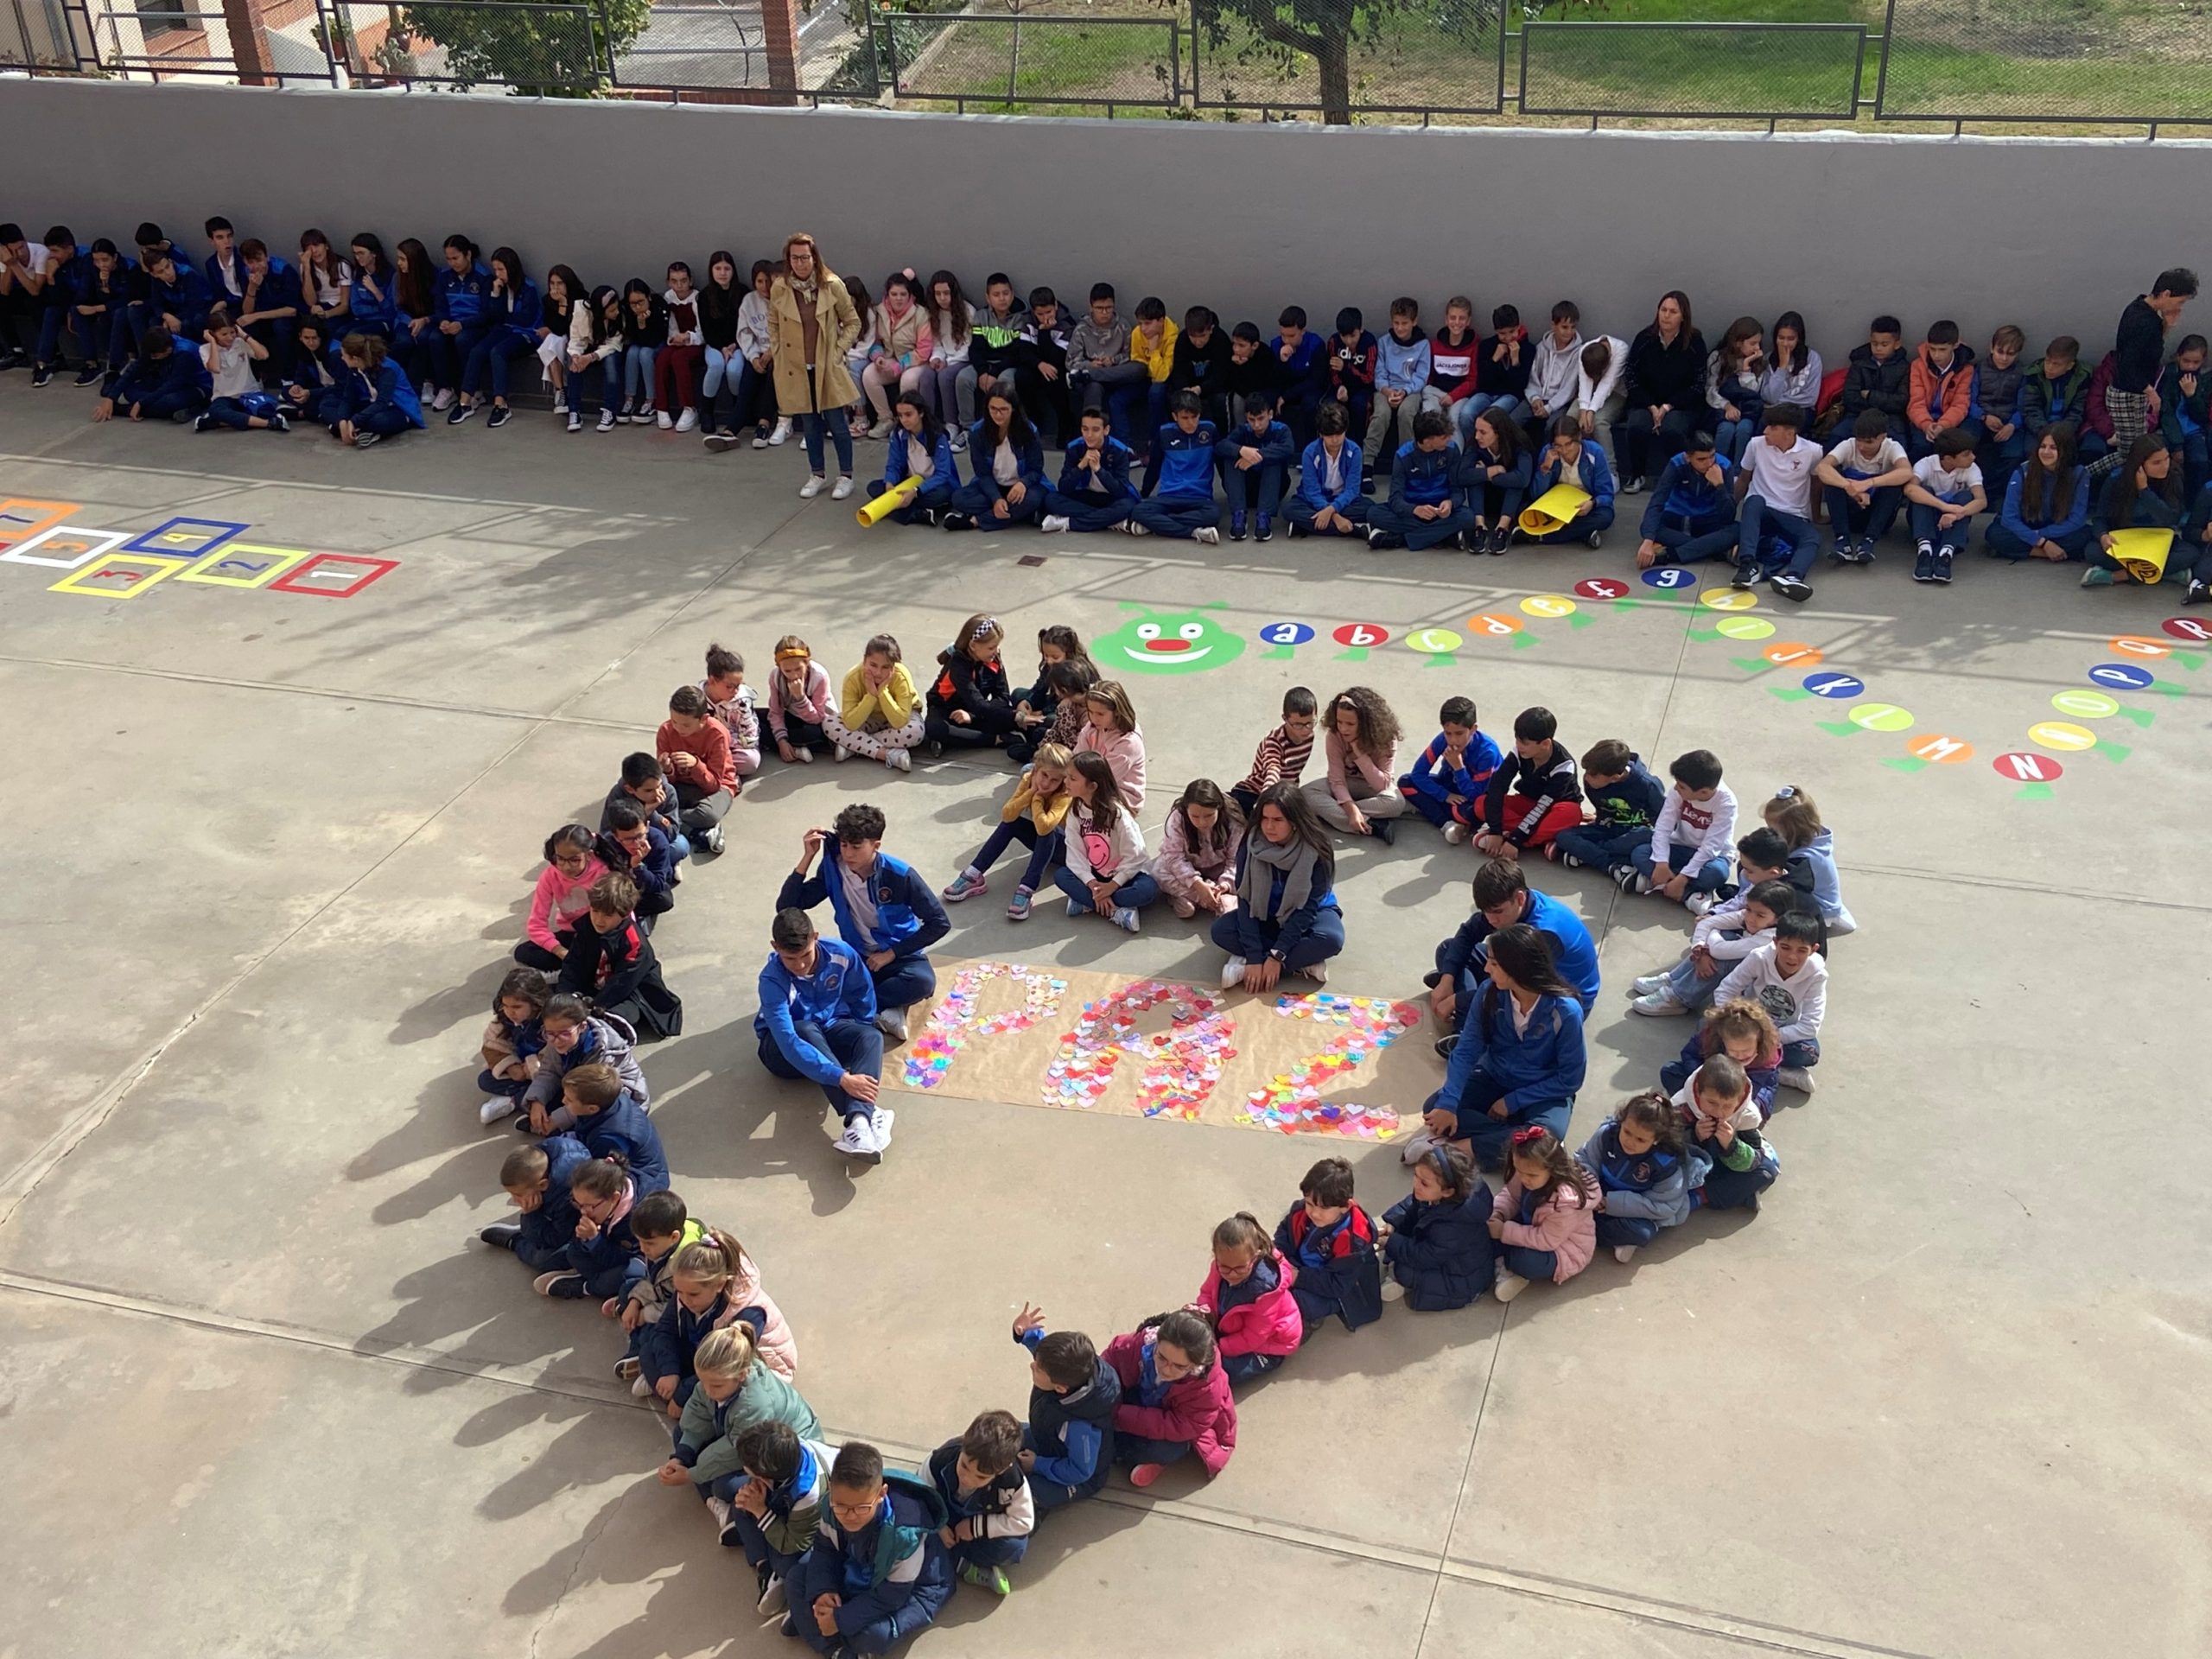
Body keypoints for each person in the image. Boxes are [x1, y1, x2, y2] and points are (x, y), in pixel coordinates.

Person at [1411, 924, 1586, 1172]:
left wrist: (1512, 1102)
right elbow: (1467, 1049)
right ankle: (1517, 1139)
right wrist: (1448, 1103)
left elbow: (1570, 1079)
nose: (1486, 968)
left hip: (1543, 1092)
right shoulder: (1489, 993)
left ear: (1517, 968)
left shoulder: (1565, 1012)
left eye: (1494, 963)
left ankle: (1458, 1149)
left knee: (1545, 1136)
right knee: (1435, 1108)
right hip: (1495, 1077)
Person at [778, 804, 949, 1040]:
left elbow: (939, 922)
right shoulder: (833, 867)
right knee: (813, 973)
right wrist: (807, 857)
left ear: (875, 846)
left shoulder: (899, 875)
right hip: (856, 955)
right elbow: (788, 906)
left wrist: (891, 954)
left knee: (922, 982)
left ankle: (855, 1006)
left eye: (856, 847)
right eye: (844, 844)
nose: (848, 854)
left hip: (898, 955)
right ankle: (879, 1009)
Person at [754, 906, 892, 1160]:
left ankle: (860, 1121)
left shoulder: (841, 953)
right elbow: (788, 1041)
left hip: (829, 1029)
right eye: (790, 958)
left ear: (815, 937)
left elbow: (862, 993)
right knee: (805, 1030)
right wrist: (841, 1077)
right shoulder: (771, 981)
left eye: (805, 955)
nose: (800, 965)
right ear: (775, 947)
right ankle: (865, 1115)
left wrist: (860, 1032)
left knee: (871, 1036)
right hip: (781, 1052)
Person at [659, 1327, 824, 1533]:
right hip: (741, 1437)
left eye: (716, 1386)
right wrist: (682, 1457)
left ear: (741, 1375)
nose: (708, 1391)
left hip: (783, 1456)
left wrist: (691, 1475)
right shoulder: (719, 1380)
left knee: (724, 1486)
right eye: (703, 1382)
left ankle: (729, 1506)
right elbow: (698, 1414)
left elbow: (736, 1450)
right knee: (682, 1437)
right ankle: (715, 1501)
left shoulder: (755, 1404)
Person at [1425, 857, 1601, 1026]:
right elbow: (1468, 933)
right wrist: (1447, 980)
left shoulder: (1543, 933)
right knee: (1448, 950)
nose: (1491, 920)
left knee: (1499, 1002)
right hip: (1524, 972)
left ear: (1520, 898)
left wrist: (1456, 1001)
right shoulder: (1511, 905)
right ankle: (1463, 992)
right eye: (1485, 911)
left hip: (1560, 1001)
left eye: (1497, 911)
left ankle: (1464, 1025)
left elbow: (1512, 989)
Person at [1215, 781, 1344, 990]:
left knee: (1331, 940)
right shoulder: (1251, 844)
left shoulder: (1316, 849)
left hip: (1309, 916)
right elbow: (1245, 899)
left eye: (1277, 820)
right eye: (1264, 818)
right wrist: (1254, 955)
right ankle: (1302, 962)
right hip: (1264, 915)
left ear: (1294, 821)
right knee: (1221, 931)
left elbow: (1308, 908)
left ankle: (1252, 967)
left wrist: (1277, 955)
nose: (1269, 827)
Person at [770, 232, 862, 501]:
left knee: (837, 423)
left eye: (805, 257)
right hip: (796, 366)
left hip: (826, 364)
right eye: (795, 258)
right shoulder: (780, 287)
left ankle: (846, 476)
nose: (800, 263)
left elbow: (853, 321)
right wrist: (778, 352)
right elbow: (773, 323)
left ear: (815, 258)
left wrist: (838, 351)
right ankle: (817, 474)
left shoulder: (832, 285)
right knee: (809, 425)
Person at [1103, 1310, 1237, 1488]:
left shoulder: (1206, 1387)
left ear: (1196, 1364)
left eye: (1179, 1366)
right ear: (1156, 1341)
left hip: (1173, 1425)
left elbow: (1182, 1426)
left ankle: (1129, 1454)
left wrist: (1119, 1415)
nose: (1166, 1369)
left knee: (1168, 1449)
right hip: (1139, 1404)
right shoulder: (1138, 1345)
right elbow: (1107, 1365)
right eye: (1161, 1357)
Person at [943, 740, 1073, 921]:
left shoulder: (1065, 794)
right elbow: (1007, 815)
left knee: (1048, 830)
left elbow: (1045, 827)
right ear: (1036, 769)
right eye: (1044, 775)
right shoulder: (1028, 779)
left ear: (1062, 781)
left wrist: (1037, 798)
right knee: (1012, 823)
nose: (1046, 783)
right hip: (1044, 843)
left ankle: (1027, 888)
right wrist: (1030, 792)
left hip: (1067, 851)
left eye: (1054, 780)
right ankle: (974, 874)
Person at [1010, 1304, 1121, 1516]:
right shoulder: (1071, 1369)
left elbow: (1079, 1471)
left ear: (1060, 1388)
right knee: (1003, 1436)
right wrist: (1025, 1333)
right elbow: (1043, 1353)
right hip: (1046, 1439)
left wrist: (1037, 1465)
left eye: (1038, 1369)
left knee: (1024, 1492)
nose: (1032, 1366)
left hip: (1081, 1478)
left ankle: (1036, 1513)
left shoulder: (1080, 1427)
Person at [1630, 876, 1794, 1018]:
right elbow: (1707, 923)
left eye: (1760, 915)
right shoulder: (1748, 916)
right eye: (1748, 910)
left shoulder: (1769, 939)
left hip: (1754, 993)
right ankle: (1673, 980)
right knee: (1725, 936)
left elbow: (1719, 950)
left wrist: (1708, 943)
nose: (1750, 917)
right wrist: (1701, 950)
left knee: (1727, 957)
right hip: (1734, 969)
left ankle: (1679, 998)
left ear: (1778, 919)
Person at [724, 1421, 838, 1617]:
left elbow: (794, 1543)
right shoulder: (785, 1452)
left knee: (786, 1565)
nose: (743, 1467)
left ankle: (763, 1550)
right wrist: (754, 1493)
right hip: (787, 1505)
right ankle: (765, 1567)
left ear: (764, 1474)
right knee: (740, 1506)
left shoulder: (809, 1493)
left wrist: (760, 1511)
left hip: (811, 1529)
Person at [556, 874, 683, 1040]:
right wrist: (564, 996)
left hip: (629, 993)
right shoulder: (587, 926)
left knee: (618, 1018)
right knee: (556, 1004)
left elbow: (621, 985)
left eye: (608, 915)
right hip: (594, 984)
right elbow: (573, 963)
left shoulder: (634, 943)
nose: (599, 920)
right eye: (595, 911)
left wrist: (592, 1008)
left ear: (625, 913)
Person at [2098, 267, 2198, 479]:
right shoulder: (2146, 323)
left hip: (2131, 394)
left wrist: (2167, 325)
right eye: (2180, 301)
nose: (2179, 307)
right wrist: (2150, 392)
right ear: (2166, 294)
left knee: (2135, 449)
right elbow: (2128, 365)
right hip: (2128, 395)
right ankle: (2082, 476)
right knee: (2131, 455)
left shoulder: (2138, 307)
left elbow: (2149, 349)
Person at [1712, 912, 1827, 1094]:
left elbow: (1810, 1026)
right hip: (1747, 1026)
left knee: (1809, 1053)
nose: (1792, 957)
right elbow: (1725, 990)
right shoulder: (1758, 958)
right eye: (1785, 947)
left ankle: (1755, 1067)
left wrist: (1765, 1037)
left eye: (1801, 951)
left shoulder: (1817, 975)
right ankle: (1766, 1068)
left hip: (1780, 1033)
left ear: (1813, 949)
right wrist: (1735, 1024)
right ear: (1775, 942)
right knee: (1707, 1028)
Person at [926, 1409, 1034, 1599]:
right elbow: (921, 1490)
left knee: (1014, 1548)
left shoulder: (1012, 1482)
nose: (967, 1479)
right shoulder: (942, 1458)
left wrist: (975, 1528)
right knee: (912, 1522)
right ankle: (963, 1565)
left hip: (979, 1524)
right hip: (945, 1514)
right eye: (964, 1466)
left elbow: (1024, 1521)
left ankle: (951, 1559)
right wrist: (939, 1524)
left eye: (981, 1477)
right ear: (963, 1446)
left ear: (1002, 1470)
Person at [1272, 1156, 1383, 1340]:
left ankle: (1310, 1320)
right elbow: (1285, 1232)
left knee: (1297, 1301)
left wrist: (1298, 1277)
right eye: (1310, 1204)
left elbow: (1338, 1286)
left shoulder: (1354, 1241)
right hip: (1302, 1268)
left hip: (1340, 1291)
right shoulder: (1301, 1211)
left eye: (1323, 1208)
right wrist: (1280, 1256)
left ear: (1345, 1206)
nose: (1314, 1213)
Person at [1376, 1140, 1495, 1309]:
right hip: (1443, 1254)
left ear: (1448, 1191)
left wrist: (1391, 1242)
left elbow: (1425, 1256)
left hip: (1461, 1276)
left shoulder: (1455, 1225)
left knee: (1404, 1270)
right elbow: (1413, 1205)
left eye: (1424, 1183)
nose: (1416, 1184)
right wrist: (1394, 1223)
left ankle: (1400, 1282)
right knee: (1402, 1237)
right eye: (1415, 1176)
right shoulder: (1436, 1195)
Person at [1486, 1126, 1599, 1303]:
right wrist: (1499, 1213)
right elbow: (1510, 1196)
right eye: (1519, 1171)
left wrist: (1503, 1232)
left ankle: (1511, 1270)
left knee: (1524, 1261)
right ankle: (1502, 1258)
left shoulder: (1565, 1202)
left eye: (1532, 1175)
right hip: (1532, 1225)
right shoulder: (1525, 1170)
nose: (1524, 1179)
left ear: (1552, 1169)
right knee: (1484, 1229)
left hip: (1562, 1250)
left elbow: (1547, 1240)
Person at [1192, 1213, 1302, 1383]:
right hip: (1232, 1328)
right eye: (1225, 1268)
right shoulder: (1219, 1266)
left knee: (1216, 1372)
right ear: (1215, 1256)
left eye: (1240, 1268)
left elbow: (1254, 1336)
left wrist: (1218, 1348)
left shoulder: (1265, 1291)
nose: (1232, 1274)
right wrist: (1204, 1313)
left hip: (1268, 1345)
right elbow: (1207, 1293)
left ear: (1255, 1257)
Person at [518, 992, 649, 1135]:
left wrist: (555, 1120)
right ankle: (547, 1122)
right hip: (578, 1090)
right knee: (532, 1096)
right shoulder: (557, 1038)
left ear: (582, 1027)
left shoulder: (602, 1052)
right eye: (549, 1033)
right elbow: (549, 1072)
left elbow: (591, 1095)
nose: (556, 1040)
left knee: (595, 1128)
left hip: (614, 1097)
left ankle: (556, 1128)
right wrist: (536, 1101)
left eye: (565, 1033)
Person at [1732, 404, 1826, 601]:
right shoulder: (1755, 445)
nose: (1766, 431)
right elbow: (1743, 479)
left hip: (1793, 515)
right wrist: (1730, 509)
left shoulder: (1814, 451)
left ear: (1790, 432)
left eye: (1773, 427)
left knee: (1812, 538)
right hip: (1762, 511)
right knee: (1754, 501)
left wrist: (1816, 515)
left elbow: (1816, 485)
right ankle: (1747, 565)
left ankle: (1793, 577)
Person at [1614, 289, 1706, 491]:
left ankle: (1681, 477)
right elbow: (1631, 377)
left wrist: (1667, 406)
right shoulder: (1645, 339)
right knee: (1637, 425)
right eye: (1663, 310)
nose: (1666, 315)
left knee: (1672, 429)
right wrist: (1651, 406)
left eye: (1673, 312)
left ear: (1683, 316)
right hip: (1646, 402)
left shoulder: (1695, 342)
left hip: (1681, 405)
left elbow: (1698, 384)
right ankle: (1637, 475)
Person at [1055, 753, 1157, 933]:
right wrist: (1092, 884)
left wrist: (1113, 885)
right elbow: (1075, 854)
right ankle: (1116, 911)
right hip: (1096, 874)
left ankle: (1088, 902)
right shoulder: (1075, 812)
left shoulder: (1118, 814)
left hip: (1126, 875)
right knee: (1061, 876)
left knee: (1147, 890)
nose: (1066, 782)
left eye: (1073, 779)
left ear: (1093, 786)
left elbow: (1136, 855)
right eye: (1067, 777)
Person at [1624, 748, 1736, 910]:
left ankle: (1663, 883)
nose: (1676, 788)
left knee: (1717, 874)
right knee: (1640, 853)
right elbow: (1663, 827)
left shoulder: (1726, 804)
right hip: (1680, 847)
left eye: (1681, 787)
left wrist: (1683, 878)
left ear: (1703, 792)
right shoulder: (1680, 791)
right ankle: (1689, 894)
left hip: (1711, 858)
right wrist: (1661, 863)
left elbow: (1710, 847)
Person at [533, 1154, 652, 1300]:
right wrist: (586, 1238)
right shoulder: (597, 1204)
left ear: (614, 1198)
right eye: (578, 1204)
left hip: (637, 1258)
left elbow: (622, 1259)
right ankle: (592, 1279)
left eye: (589, 1206)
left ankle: (585, 1287)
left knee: (627, 1274)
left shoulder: (639, 1218)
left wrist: (595, 1240)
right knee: (568, 1255)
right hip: (607, 1248)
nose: (583, 1212)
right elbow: (578, 1247)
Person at [1675, 1054, 1781, 1212]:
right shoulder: (1681, 1106)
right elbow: (1662, 1144)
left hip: (1725, 1166)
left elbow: (1753, 1161)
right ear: (1698, 1091)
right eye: (1712, 1103)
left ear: (1739, 1100)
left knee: (1767, 1170)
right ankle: (1738, 1194)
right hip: (1692, 1166)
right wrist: (1694, 1137)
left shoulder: (1747, 1115)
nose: (1719, 1112)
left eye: (1727, 1106)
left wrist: (1731, 1145)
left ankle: (1698, 1197)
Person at [1475, 706, 1582, 858]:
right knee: (1481, 803)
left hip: (1552, 809)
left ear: (1545, 744)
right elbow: (1497, 787)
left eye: (1524, 743)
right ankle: (1545, 840)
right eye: (1517, 740)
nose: (1519, 746)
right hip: (1528, 803)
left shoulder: (1564, 766)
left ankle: (1515, 838)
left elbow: (1543, 806)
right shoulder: (1519, 753)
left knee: (1571, 813)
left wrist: (1515, 841)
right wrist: (1495, 830)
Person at [449, 247, 538, 429]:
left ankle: (501, 405)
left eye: (501, 269)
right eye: (495, 269)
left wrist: (504, 316)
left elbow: (526, 318)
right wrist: (496, 295)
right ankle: (465, 402)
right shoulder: (497, 286)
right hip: (502, 329)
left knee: (498, 352)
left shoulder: (528, 287)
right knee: (477, 351)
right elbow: (493, 316)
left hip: (525, 333)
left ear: (511, 268)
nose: (497, 274)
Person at [2084, 432, 2186, 588]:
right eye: (2156, 463)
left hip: (2158, 540)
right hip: (2126, 540)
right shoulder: (2116, 480)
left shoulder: (2173, 476)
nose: (2165, 465)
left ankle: (2118, 576)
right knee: (2092, 551)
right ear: (2140, 465)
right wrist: (2103, 536)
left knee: (2190, 553)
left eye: (2167, 459)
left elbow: (2171, 519)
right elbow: (2100, 518)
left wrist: (2144, 491)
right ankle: (2162, 573)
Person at [1304, 684, 1405, 842]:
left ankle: (1338, 813)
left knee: (1396, 803)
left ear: (1366, 724)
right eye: (1339, 722)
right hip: (1345, 783)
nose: (1343, 729)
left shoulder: (1386, 739)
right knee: (1306, 794)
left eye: (1350, 724)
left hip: (1371, 788)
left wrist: (1360, 754)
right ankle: (1373, 824)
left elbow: (1382, 785)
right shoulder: (1334, 736)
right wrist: (1350, 809)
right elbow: (1337, 779)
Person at [1364, 408, 1472, 553]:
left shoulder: (1452, 450)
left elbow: (1458, 490)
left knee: (1467, 517)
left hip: (1441, 511)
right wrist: (1414, 510)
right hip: (1413, 510)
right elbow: (1395, 498)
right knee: (1373, 513)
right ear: (1428, 441)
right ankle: (1444, 536)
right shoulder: (1403, 456)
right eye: (1444, 437)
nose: (1449, 440)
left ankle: (1399, 539)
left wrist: (1450, 503)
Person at [1396, 694, 1502, 841]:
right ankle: (1446, 824)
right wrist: (1445, 795)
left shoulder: (1487, 752)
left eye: (1459, 733)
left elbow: (1475, 795)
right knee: (1405, 782)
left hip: (1474, 797)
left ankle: (1427, 807)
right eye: (1448, 733)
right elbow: (1418, 774)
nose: (1453, 740)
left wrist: (1459, 767)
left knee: (1474, 812)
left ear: (1473, 729)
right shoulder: (1442, 739)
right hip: (1450, 788)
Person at [478, 1136, 588, 1274]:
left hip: (586, 1232)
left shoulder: (565, 1196)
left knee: (547, 1259)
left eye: (518, 1194)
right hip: (567, 1221)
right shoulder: (545, 1158)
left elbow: (557, 1238)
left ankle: (516, 1241)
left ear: (543, 1185)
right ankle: (528, 1231)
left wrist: (531, 1214)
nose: (514, 1200)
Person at [1985, 424, 2094, 563]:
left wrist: (2041, 535)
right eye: (2043, 446)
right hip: (2027, 525)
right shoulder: (2023, 472)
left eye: (2053, 448)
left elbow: (2076, 519)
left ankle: (2021, 551)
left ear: (2066, 450)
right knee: (1995, 534)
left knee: (2086, 535)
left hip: (2057, 529)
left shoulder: (2079, 474)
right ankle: (2047, 553)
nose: (2046, 452)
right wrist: (2042, 543)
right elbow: (2009, 518)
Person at [1816, 410, 1913, 565]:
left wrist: (1868, 484)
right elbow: (1822, 467)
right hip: (1850, 511)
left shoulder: (1892, 447)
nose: (1861, 447)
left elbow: (1906, 472)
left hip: (1877, 513)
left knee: (1894, 485)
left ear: (1882, 437)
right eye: (1859, 440)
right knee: (1832, 478)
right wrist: (1849, 487)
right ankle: (1842, 540)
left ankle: (1869, 540)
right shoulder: (1848, 445)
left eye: (1868, 442)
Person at [561, 1060, 671, 1193]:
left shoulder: (608, 1139)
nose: (563, 1101)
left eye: (569, 1100)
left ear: (592, 1108)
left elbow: (599, 1174)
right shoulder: (611, 1101)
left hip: (644, 1185)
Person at [946, 389, 1046, 533]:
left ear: (1013, 408)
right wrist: (996, 498)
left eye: (1003, 409)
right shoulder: (977, 432)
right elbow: (982, 473)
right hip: (993, 485)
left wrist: (1023, 484)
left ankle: (975, 521)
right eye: (993, 409)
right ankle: (1021, 514)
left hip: (1022, 487)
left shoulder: (1029, 430)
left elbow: (1036, 469)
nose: (998, 415)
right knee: (959, 498)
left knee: (1034, 499)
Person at [1633, 430, 1738, 568]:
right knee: (1648, 527)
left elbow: (1728, 517)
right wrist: (1648, 540)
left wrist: (1720, 486)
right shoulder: (1676, 464)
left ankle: (1669, 555)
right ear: (1688, 457)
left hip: (1708, 520)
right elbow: (1657, 502)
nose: (1709, 463)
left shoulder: (1724, 466)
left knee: (1737, 530)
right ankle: (1716, 549)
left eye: (1712, 456)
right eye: (1701, 459)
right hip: (1678, 517)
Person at [1761, 784, 1856, 934]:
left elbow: (1781, 886)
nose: (1770, 832)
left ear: (1793, 830)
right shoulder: (1812, 840)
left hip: (1820, 911)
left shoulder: (1804, 860)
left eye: (1773, 829)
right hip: (1824, 901)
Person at [1131, 391, 1223, 543]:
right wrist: (1144, 493)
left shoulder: (1210, 430)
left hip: (1200, 498)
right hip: (1169, 496)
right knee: (1138, 511)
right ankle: (1193, 532)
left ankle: (1161, 523)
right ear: (1175, 416)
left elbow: (1221, 464)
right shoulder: (1164, 433)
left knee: (1213, 515)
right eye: (1185, 418)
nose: (1190, 422)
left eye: (1194, 417)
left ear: (1200, 414)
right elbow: (1154, 466)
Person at [825, 632, 925, 770]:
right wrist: (871, 695)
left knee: (916, 732)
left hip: (900, 719)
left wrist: (883, 692)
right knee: (829, 723)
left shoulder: (901, 676)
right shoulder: (853, 677)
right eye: (873, 665)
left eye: (885, 667)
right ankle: (888, 754)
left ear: (894, 666)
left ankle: (854, 747)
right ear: (864, 660)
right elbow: (850, 723)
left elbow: (900, 722)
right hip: (868, 718)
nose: (878, 673)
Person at [514, 824, 607, 971]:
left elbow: (620, 918)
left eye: (574, 860)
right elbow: (536, 925)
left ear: (589, 856)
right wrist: (560, 952)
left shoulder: (604, 875)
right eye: (561, 859)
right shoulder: (550, 876)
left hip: (599, 932)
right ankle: (578, 968)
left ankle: (576, 969)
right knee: (523, 952)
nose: (566, 867)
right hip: (570, 933)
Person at [655, 684, 734, 852]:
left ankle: (663, 820)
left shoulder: (717, 734)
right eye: (674, 722)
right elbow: (666, 781)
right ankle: (693, 832)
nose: (678, 728)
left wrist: (696, 765)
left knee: (708, 815)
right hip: (682, 785)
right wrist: (667, 770)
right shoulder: (666, 731)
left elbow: (714, 785)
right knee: (645, 795)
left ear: (703, 719)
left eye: (686, 725)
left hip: (719, 786)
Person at [1904, 427, 1988, 582]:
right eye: (1966, 454)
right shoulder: (1926, 464)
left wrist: (1956, 514)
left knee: (1965, 497)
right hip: (1927, 518)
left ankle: (1946, 554)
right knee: (1923, 491)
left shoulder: (1971, 468)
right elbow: (1909, 489)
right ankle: (1925, 551)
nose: (1973, 457)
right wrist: (1945, 507)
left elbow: (1981, 501)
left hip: (1952, 520)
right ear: (1948, 458)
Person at [1067, 282, 1147, 444]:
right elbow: (1071, 362)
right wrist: (1090, 365)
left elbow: (1131, 355)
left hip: (1116, 374)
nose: (1104, 313)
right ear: (1091, 307)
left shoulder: (1123, 325)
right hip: (1092, 380)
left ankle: (1092, 375)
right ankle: (1093, 441)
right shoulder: (1082, 329)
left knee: (1140, 368)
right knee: (1094, 387)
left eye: (1108, 308)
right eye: (1099, 308)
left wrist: (1113, 361)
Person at [925, 613, 1018, 753]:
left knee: (1007, 716)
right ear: (973, 645)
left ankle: (957, 739)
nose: (996, 652)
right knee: (936, 729)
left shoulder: (993, 659)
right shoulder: (958, 665)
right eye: (991, 648)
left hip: (975, 711)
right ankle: (995, 740)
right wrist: (1014, 717)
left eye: (997, 646)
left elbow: (1003, 697)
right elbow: (977, 703)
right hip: (947, 711)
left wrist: (971, 717)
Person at [1153, 778, 1244, 920]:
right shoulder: (1178, 818)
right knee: (1159, 872)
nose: (1202, 822)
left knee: (1246, 875)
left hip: (1219, 869)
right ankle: (1212, 900)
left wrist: (1225, 884)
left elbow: (1235, 859)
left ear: (1219, 808)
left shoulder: (1232, 821)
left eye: (1209, 816)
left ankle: (1205, 897)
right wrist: (1197, 884)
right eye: (1195, 816)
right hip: (1187, 870)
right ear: (1186, 810)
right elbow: (1174, 857)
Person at [1039, 406, 1137, 535]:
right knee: (1051, 499)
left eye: (1095, 430)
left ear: (1106, 430)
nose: (1089, 435)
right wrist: (1081, 466)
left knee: (1128, 506)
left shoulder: (1119, 450)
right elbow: (1064, 488)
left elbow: (1120, 491)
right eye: (1085, 429)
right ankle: (1112, 521)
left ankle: (1068, 523)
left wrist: (1099, 470)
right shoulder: (1074, 447)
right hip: (1084, 495)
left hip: (1110, 497)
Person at [1522, 415, 1617, 547]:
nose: (1564, 451)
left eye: (1569, 444)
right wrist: (1545, 469)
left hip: (1583, 506)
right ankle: (1584, 534)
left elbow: (1606, 494)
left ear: (1579, 438)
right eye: (1558, 446)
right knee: (1523, 508)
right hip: (1556, 506)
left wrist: (1593, 503)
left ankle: (1543, 536)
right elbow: (1536, 494)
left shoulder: (1595, 452)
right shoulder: (1548, 452)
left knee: (1605, 517)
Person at [1215, 390, 1295, 542]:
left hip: (1275, 488)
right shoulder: (1243, 430)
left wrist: (1257, 456)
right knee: (1231, 456)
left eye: (1261, 418)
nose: (1256, 425)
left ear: (1270, 414)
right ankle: (1238, 516)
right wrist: (1241, 450)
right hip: (1247, 490)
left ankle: (1264, 517)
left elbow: (1288, 448)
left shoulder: (1281, 430)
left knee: (1273, 459)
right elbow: (1220, 447)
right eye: (1252, 420)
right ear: (1247, 417)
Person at [476, 967, 553, 1124]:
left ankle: (514, 1101)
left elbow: (556, 1055)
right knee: (485, 1080)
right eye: (506, 1005)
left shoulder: (551, 1020)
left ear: (535, 1004)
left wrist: (528, 1069)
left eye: (517, 1007)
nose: (510, 1012)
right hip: (520, 1070)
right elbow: (492, 1044)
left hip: (546, 1073)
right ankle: (521, 1099)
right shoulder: (505, 1020)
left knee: (559, 1095)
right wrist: (510, 1067)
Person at [192, 308, 288, 434]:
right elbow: (215, 368)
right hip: (225, 397)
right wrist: (213, 343)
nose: (230, 337)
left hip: (249, 393)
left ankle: (212, 422)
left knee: (265, 409)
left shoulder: (241, 343)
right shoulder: (205, 349)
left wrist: (244, 336)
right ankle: (268, 423)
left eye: (232, 332)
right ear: (213, 334)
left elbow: (264, 355)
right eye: (224, 334)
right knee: (217, 411)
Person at [868, 391, 957, 524]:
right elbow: (894, 464)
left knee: (943, 494)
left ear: (921, 413)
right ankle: (919, 514)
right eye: (900, 415)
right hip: (909, 481)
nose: (904, 420)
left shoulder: (938, 437)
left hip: (933, 485)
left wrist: (916, 491)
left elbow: (943, 474)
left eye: (908, 414)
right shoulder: (898, 435)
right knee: (873, 487)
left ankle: (901, 510)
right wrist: (889, 483)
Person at [92, 325, 209, 425]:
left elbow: (174, 384)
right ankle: (164, 410)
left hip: (196, 386)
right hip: (166, 379)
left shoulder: (184, 353)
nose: (152, 358)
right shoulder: (153, 347)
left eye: (156, 356)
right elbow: (133, 371)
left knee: (171, 401)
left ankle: (124, 410)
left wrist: (142, 402)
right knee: (130, 391)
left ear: (168, 350)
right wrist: (111, 398)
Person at [325, 332, 423, 449]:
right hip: (370, 404)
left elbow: (382, 403)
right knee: (328, 404)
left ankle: (362, 430)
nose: (342, 358)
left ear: (355, 359)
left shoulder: (387, 370)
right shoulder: (354, 369)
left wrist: (354, 421)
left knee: (378, 421)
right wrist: (343, 420)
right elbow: (348, 398)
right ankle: (354, 429)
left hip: (397, 408)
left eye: (344, 355)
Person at [1285, 401, 1367, 538]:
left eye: (1339, 434)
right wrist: (1334, 516)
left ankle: (1304, 526)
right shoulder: (1310, 452)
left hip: (1342, 500)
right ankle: (1353, 530)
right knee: (1289, 510)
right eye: (1329, 435)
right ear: (1321, 434)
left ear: (1345, 430)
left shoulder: (1354, 451)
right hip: (1314, 501)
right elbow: (1311, 491)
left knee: (1370, 509)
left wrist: (1332, 509)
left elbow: (1352, 490)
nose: (1334, 440)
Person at [1232, 686, 1318, 816]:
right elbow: (1272, 771)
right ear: (1285, 718)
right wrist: (1265, 802)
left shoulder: (1309, 736)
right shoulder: (1274, 742)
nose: (1305, 730)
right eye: (1298, 725)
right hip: (1255, 792)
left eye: (1310, 723)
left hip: (1285, 792)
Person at [1457, 302, 1531, 446]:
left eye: (1512, 332)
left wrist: (1515, 361)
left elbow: (1520, 386)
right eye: (1502, 333)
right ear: (1496, 331)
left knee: (1491, 417)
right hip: (1486, 393)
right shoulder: (1487, 346)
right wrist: (1494, 359)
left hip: (1511, 395)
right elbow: (1483, 382)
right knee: (1466, 414)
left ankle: (1493, 450)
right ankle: (1474, 448)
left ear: (1518, 327)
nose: (1508, 337)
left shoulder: (1528, 349)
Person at [1367, 296, 1431, 462]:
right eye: (1396, 323)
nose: (1400, 328)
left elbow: (1421, 376)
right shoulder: (1384, 342)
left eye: (1404, 323)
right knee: (1381, 414)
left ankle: (1406, 460)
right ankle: (1368, 461)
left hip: (1411, 390)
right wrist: (1387, 391)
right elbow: (1379, 373)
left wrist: (1405, 391)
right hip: (1386, 389)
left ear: (1414, 322)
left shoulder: (1423, 344)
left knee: (1406, 413)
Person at [1463, 409, 1534, 555]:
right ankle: (1479, 527)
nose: (1477, 436)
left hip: (1513, 502)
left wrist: (1490, 476)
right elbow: (1461, 475)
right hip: (1486, 500)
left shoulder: (1519, 443)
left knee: (1515, 484)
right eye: (1476, 430)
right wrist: (1489, 472)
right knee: (1475, 478)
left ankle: (1502, 529)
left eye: (1483, 432)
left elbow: (1523, 479)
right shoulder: (1474, 443)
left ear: (1498, 433)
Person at [1905, 319, 1976, 460]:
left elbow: (1960, 404)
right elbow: (1916, 402)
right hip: (1923, 420)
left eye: (1942, 350)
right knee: (1921, 446)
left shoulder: (1965, 370)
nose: (1936, 355)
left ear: (1955, 345)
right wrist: (1926, 425)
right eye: (1932, 349)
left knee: (1953, 448)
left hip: (1950, 421)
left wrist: (1943, 426)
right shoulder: (1918, 366)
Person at [919, 268, 977, 440]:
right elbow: (937, 342)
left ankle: (951, 423)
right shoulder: (934, 313)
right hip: (945, 358)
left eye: (946, 293)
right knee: (926, 376)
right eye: (938, 294)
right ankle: (928, 423)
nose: (942, 298)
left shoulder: (968, 311)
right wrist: (937, 358)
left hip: (963, 359)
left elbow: (969, 344)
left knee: (945, 377)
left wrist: (949, 362)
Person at [1074, 679, 1147, 811]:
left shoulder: (1128, 742)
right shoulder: (1092, 728)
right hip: (1090, 781)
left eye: (1100, 714)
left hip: (1120, 797)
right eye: (1090, 712)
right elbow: (1076, 759)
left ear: (1117, 712)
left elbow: (1104, 780)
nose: (1094, 718)